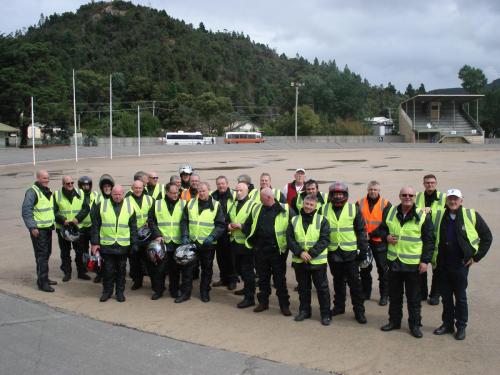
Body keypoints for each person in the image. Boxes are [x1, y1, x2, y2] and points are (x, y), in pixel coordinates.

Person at [432, 189, 492, 340]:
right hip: (443, 264)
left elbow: (487, 237)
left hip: (460, 265)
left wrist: (476, 257)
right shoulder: (439, 215)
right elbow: (420, 213)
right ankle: (447, 324)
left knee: (460, 297)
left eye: (456, 199)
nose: (453, 201)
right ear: (446, 200)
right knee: (445, 297)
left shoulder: (470, 215)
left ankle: (461, 327)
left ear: (461, 200)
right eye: (450, 199)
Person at [379, 185, 435, 338]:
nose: (407, 197)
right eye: (404, 195)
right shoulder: (390, 211)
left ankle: (415, 325)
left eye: (410, 195)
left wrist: (425, 261)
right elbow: (381, 229)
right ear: (400, 196)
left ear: (414, 197)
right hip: (394, 262)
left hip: (413, 264)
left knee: (414, 298)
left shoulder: (422, 215)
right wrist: (386, 237)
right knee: (395, 296)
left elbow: (429, 241)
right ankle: (394, 322)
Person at [243, 187, 294, 316]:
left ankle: (284, 305)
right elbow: (248, 224)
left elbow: (295, 226)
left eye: (261, 199)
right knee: (263, 279)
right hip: (260, 251)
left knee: (279, 280)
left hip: (277, 252)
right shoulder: (257, 208)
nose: (259, 201)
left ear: (269, 198)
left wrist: (289, 244)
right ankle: (263, 302)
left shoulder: (285, 209)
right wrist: (253, 241)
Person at [322, 182, 368, 324]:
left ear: (345, 195)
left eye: (340, 194)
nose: (338, 196)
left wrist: (363, 250)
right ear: (331, 195)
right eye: (335, 194)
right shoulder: (323, 209)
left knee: (355, 284)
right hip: (333, 252)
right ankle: (339, 307)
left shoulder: (353, 209)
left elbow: (361, 231)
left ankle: (359, 311)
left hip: (351, 254)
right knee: (337, 282)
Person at [287, 194, 332, 326]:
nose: (308, 207)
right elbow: (290, 239)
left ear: (316, 206)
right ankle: (304, 311)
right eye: (306, 204)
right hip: (300, 261)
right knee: (303, 288)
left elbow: (325, 239)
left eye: (311, 205)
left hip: (317, 262)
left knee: (322, 289)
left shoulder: (322, 220)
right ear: (302, 204)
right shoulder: (294, 220)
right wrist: (300, 252)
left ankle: (325, 314)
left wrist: (311, 254)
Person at [91, 185, 138, 302]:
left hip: (123, 246)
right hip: (107, 245)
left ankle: (119, 293)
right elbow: (95, 226)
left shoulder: (130, 206)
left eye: (120, 194)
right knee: (107, 271)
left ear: (123, 194)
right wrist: (95, 243)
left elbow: (133, 227)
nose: (118, 196)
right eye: (115, 194)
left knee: (121, 271)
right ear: (111, 194)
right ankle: (107, 292)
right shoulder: (101, 205)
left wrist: (134, 243)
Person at [180, 181, 226, 302]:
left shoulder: (216, 205)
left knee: (207, 270)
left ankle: (204, 292)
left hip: (208, 244)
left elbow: (221, 225)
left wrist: (212, 237)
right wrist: (185, 235)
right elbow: (184, 221)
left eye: (203, 191)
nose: (201, 193)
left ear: (209, 191)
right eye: (199, 191)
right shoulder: (190, 204)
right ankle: (185, 293)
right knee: (188, 270)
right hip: (192, 242)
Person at [148, 182, 186, 300]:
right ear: (167, 192)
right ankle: (159, 291)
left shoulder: (184, 204)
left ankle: (174, 290)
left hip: (177, 241)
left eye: (177, 192)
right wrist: (157, 235)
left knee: (175, 270)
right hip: (162, 242)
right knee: (160, 269)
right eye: (173, 193)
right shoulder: (157, 204)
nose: (176, 195)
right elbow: (151, 221)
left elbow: (186, 222)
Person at [356, 181, 391, 305]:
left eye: (375, 189)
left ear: (379, 190)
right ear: (367, 189)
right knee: (364, 268)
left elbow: (386, 224)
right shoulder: (359, 203)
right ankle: (366, 292)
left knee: (383, 270)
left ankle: (384, 295)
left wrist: (370, 234)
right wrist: (362, 236)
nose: (373, 191)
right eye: (371, 189)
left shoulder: (386, 204)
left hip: (379, 242)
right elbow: (356, 221)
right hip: (364, 242)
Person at [22, 170, 57, 292]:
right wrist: (32, 227)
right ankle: (42, 283)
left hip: (47, 229)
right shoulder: (32, 192)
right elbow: (26, 211)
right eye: (44, 178)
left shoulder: (47, 191)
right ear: (38, 178)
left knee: (47, 253)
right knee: (42, 256)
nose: (46, 180)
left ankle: (44, 278)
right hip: (39, 231)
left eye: (48, 178)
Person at [416, 174, 446, 305]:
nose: (430, 185)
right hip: (420, 236)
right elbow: (411, 209)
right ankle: (422, 293)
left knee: (437, 269)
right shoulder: (417, 196)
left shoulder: (444, 197)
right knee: (421, 267)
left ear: (436, 183)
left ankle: (435, 295)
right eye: (427, 182)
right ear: (423, 184)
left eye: (432, 182)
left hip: (438, 237)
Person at [53, 175, 90, 282]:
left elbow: (86, 208)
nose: (70, 185)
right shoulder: (57, 195)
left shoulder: (81, 193)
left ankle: (81, 272)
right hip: (63, 229)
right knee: (65, 252)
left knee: (80, 252)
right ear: (63, 184)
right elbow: (53, 211)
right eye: (67, 183)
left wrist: (77, 219)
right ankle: (67, 273)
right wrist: (63, 220)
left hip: (76, 227)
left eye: (72, 183)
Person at [227, 182, 256, 308]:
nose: (238, 193)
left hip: (246, 245)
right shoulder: (233, 204)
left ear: (247, 191)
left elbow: (255, 226)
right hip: (234, 242)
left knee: (247, 271)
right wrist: (228, 225)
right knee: (239, 269)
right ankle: (246, 289)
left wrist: (242, 226)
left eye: (241, 191)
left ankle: (250, 298)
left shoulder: (253, 205)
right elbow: (228, 218)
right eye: (237, 190)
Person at [211, 176, 238, 290]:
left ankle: (232, 280)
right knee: (220, 257)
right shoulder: (213, 196)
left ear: (227, 184)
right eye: (219, 184)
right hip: (217, 231)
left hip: (230, 230)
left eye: (223, 183)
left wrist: (230, 225)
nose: (221, 186)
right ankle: (223, 278)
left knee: (230, 258)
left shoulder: (234, 195)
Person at [127, 180, 154, 291]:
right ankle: (137, 282)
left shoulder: (150, 199)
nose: (138, 190)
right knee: (135, 261)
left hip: (148, 235)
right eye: (136, 188)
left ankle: (154, 283)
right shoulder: (127, 201)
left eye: (140, 188)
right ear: (132, 188)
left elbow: (154, 214)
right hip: (134, 235)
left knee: (151, 261)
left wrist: (149, 220)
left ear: (143, 188)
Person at [91, 174, 115, 283]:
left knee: (111, 256)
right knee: (97, 254)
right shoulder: (97, 199)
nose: (107, 188)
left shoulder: (115, 197)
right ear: (102, 188)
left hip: (112, 232)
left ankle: (112, 274)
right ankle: (99, 274)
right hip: (100, 230)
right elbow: (93, 216)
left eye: (109, 186)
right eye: (105, 186)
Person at [77, 175, 95, 280]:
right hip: (80, 227)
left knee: (94, 250)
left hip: (92, 226)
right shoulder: (77, 196)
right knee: (82, 250)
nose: (86, 187)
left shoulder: (95, 195)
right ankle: (81, 271)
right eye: (84, 185)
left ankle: (94, 266)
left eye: (88, 185)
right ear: (80, 186)